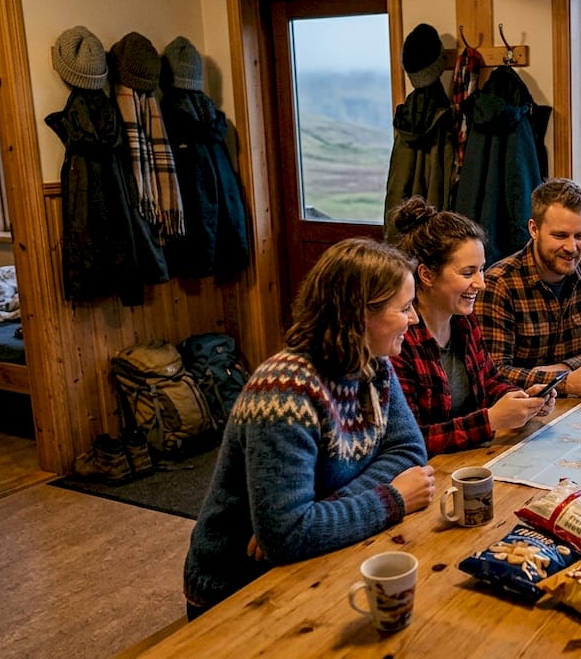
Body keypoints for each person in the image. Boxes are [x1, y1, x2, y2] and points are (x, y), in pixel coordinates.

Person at [183, 238, 436, 619]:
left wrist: (324, 512)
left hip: (310, 555)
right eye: (403, 308)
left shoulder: (373, 363)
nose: (414, 318)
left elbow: (408, 452)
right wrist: (392, 499)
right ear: (360, 315)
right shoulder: (283, 393)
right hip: (239, 587)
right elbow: (287, 537)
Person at [388, 196, 555, 455]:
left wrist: (522, 399)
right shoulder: (399, 340)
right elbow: (412, 439)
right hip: (434, 474)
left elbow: (489, 382)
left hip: (472, 457)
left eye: (481, 270)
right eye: (468, 273)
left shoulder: (463, 321)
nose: (481, 283)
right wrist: (490, 421)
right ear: (427, 275)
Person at [476, 177, 581, 398]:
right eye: (560, 235)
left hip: (574, 409)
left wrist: (566, 369)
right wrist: (565, 383)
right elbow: (493, 374)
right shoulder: (499, 284)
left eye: (580, 236)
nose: (571, 247)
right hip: (522, 412)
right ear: (534, 229)